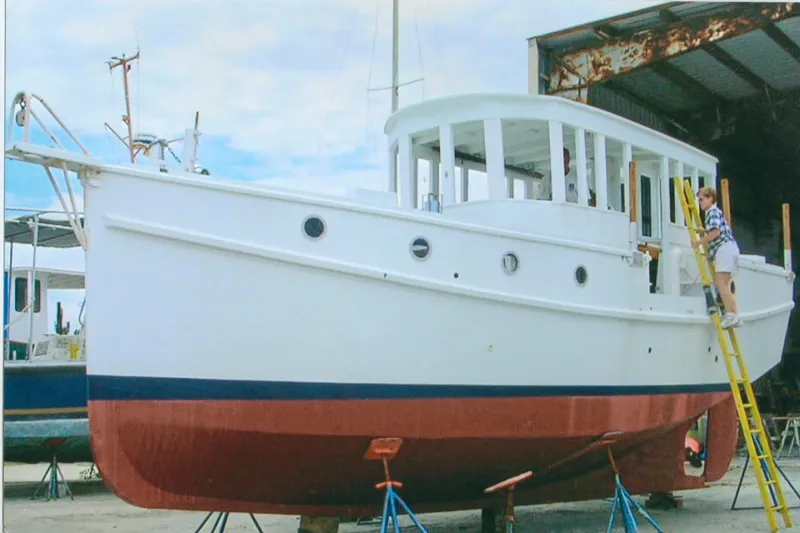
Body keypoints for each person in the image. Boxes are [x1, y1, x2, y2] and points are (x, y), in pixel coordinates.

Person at [693, 186, 741, 328]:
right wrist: (705, 231)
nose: (700, 203)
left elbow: (715, 233)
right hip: (730, 248)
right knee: (725, 284)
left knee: (721, 284)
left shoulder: (712, 212)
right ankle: (735, 315)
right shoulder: (716, 212)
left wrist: (698, 243)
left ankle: (731, 315)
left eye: (702, 199)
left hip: (724, 249)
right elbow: (714, 230)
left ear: (710, 198)